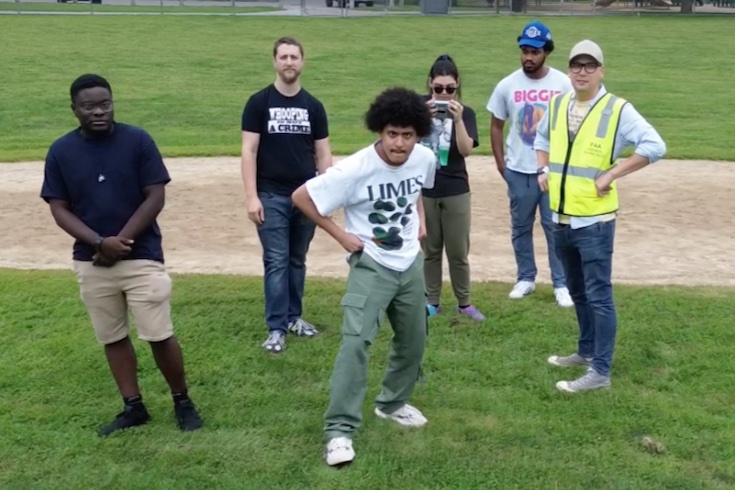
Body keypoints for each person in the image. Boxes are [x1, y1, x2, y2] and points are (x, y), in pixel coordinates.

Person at [40, 74, 203, 436]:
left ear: (112, 103)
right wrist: (100, 243)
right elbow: (59, 208)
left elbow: (155, 196)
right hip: (91, 260)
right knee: (112, 337)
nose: (98, 111)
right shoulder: (61, 151)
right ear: (74, 109)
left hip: (141, 256)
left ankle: (182, 401)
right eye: (89, 106)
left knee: (159, 334)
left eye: (105, 104)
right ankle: (133, 407)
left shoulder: (138, 141)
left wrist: (120, 242)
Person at [291, 87, 435, 466]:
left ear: (418, 134)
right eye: (392, 134)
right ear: (379, 131)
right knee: (355, 345)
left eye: (407, 135)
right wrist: (342, 236)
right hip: (371, 263)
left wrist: (419, 219)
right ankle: (339, 431)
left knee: (414, 339)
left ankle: (392, 403)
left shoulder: (424, 157)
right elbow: (302, 197)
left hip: (410, 263)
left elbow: (417, 189)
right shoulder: (354, 169)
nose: (399, 143)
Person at [534, 40, 666, 393]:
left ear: (601, 71)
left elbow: (655, 146)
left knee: (598, 294)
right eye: (576, 65)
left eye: (589, 66)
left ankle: (600, 372)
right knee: (577, 289)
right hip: (560, 218)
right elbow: (541, 139)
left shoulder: (617, 109)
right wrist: (542, 170)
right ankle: (586, 351)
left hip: (594, 221)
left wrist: (611, 175)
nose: (581, 72)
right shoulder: (558, 104)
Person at [241, 36, 333, 354]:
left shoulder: (313, 106)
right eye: (284, 57)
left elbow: (323, 154)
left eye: (294, 56)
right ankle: (276, 328)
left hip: (305, 195)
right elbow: (248, 151)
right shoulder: (258, 103)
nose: (289, 62)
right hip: (270, 194)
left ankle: (294, 317)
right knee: (276, 260)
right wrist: (252, 197)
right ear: (275, 61)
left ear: (303, 61)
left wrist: (327, 194)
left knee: (297, 260)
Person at [487, 20, 574, 307]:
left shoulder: (562, 83)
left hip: (553, 170)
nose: (528, 57)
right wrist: (502, 165)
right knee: (521, 227)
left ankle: (561, 283)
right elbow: (497, 125)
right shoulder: (507, 84)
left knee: (555, 228)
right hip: (519, 170)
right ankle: (526, 278)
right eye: (524, 50)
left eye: (535, 52)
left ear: (546, 52)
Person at [419, 54, 485, 321]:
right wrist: (421, 119)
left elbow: (466, 150)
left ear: (457, 86)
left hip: (456, 188)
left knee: (458, 251)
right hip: (425, 189)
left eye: (450, 89)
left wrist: (457, 121)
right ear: (430, 85)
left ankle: (465, 302)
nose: (443, 95)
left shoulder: (466, 113)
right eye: (438, 89)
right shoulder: (419, 109)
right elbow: (405, 146)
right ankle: (431, 301)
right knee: (430, 250)